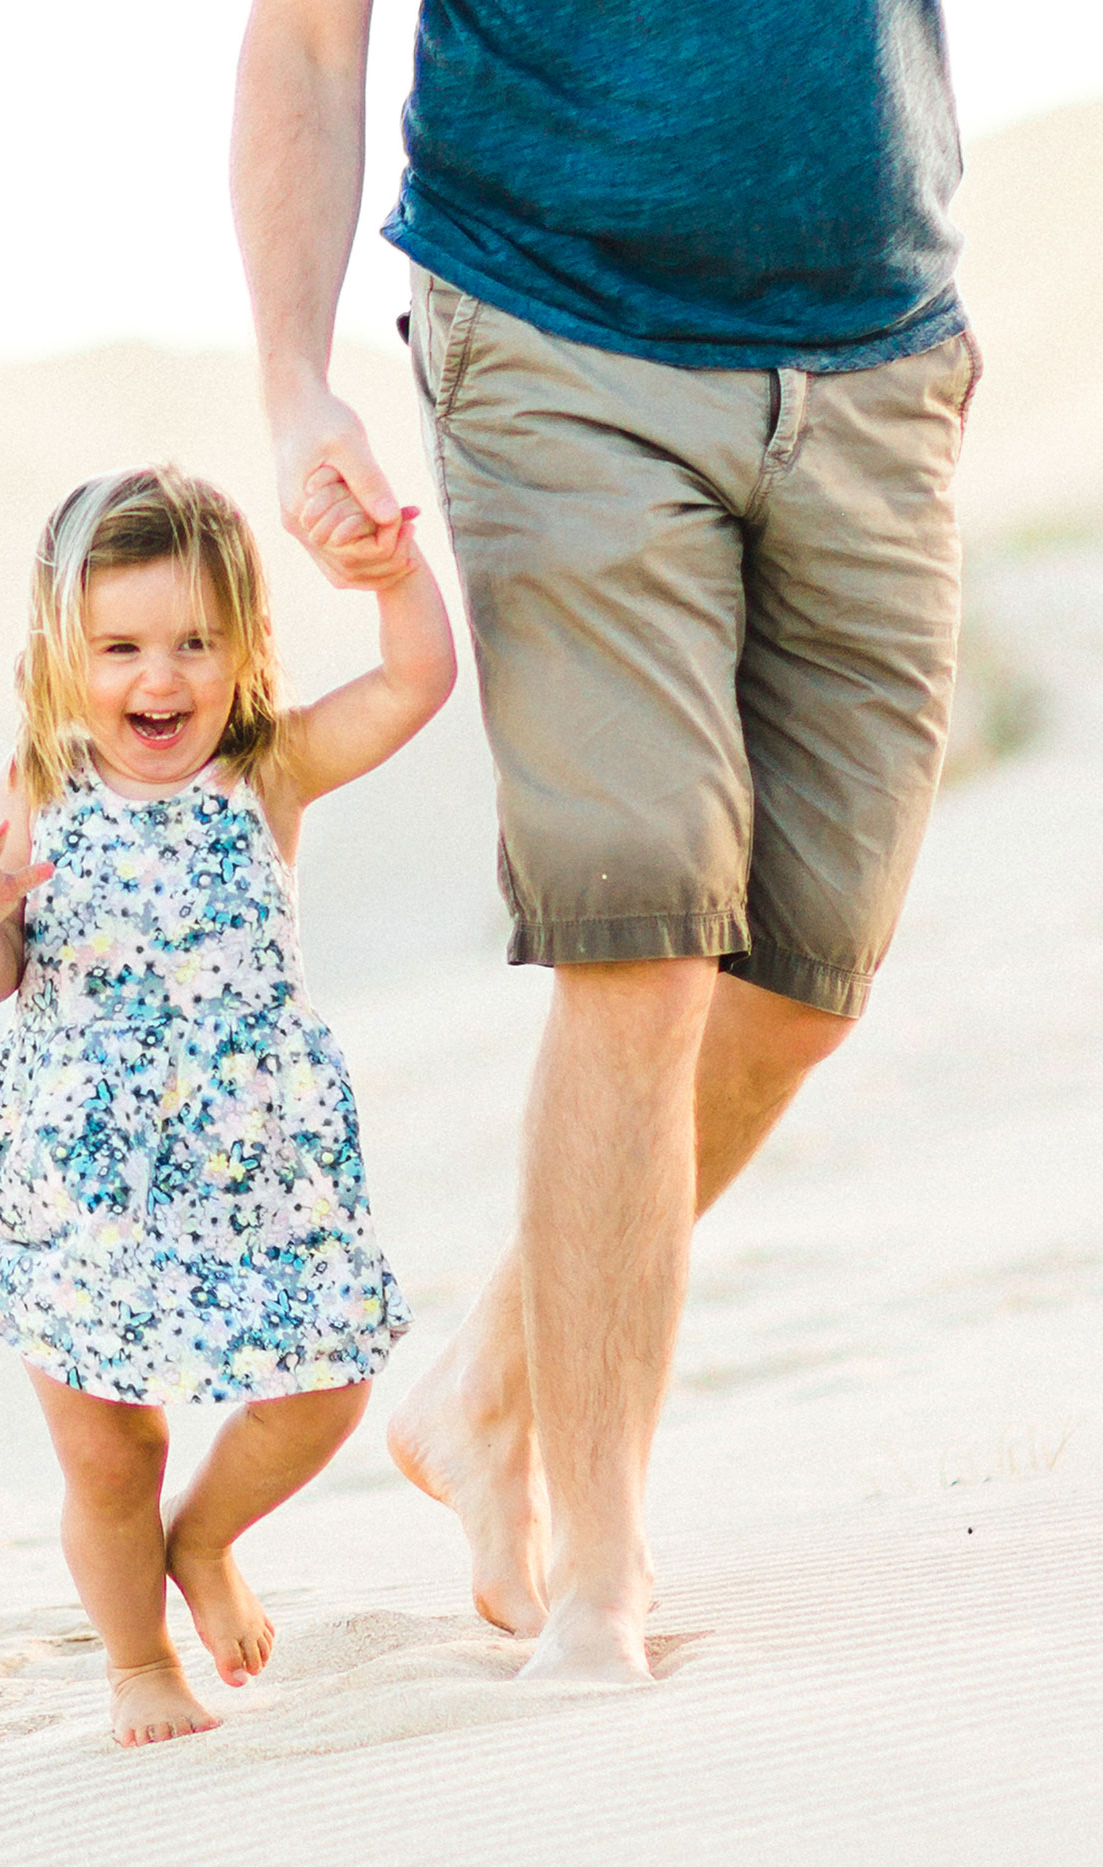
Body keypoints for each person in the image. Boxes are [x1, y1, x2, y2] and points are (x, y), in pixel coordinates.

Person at [231, 1, 980, 1683]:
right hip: (561, 341)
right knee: (640, 931)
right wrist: (295, 382)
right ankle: (600, 1594)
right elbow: (304, 46)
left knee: (805, 968)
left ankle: (493, 1385)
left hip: (877, 354)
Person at [0, 466, 455, 1745]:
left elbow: (413, 685)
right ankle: (134, 1663)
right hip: (82, 1178)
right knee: (113, 1447)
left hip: (256, 1161)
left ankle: (207, 1538)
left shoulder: (265, 772)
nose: (155, 680)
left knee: (326, 1382)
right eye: (119, 647)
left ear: (244, 649)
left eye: (191, 644)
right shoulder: (40, 785)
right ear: (64, 654)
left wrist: (393, 579)